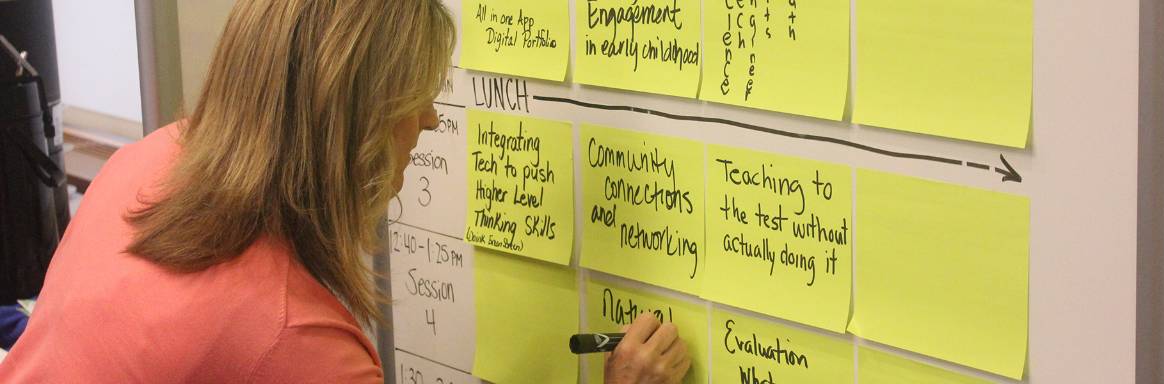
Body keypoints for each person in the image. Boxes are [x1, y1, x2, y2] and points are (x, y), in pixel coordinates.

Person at [0, 1, 690, 383]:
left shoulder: (146, 161)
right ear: (355, 119)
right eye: (413, 95)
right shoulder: (289, 339)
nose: (430, 118)